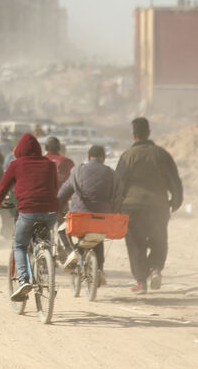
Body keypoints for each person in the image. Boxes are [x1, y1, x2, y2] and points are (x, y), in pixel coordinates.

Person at [115, 117, 183, 294]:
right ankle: (155, 269)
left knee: (135, 244)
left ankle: (140, 282)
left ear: (134, 134)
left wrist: (115, 206)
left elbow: (118, 184)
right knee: (158, 240)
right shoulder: (161, 154)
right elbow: (174, 180)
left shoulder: (127, 156)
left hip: (132, 208)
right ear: (149, 133)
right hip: (158, 207)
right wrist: (175, 202)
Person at [0, 133, 59, 301]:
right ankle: (46, 273)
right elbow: (55, 187)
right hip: (50, 212)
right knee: (45, 239)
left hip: (28, 212)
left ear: (19, 150)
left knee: (20, 246)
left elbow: (2, 188)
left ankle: (23, 280)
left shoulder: (16, 164)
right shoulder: (50, 165)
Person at [57, 145, 123, 285]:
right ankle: (100, 269)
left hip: (79, 219)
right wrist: (113, 213)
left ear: (88, 157)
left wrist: (59, 210)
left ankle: (72, 253)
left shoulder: (77, 171)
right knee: (98, 238)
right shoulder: (112, 173)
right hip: (103, 219)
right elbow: (118, 197)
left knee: (62, 230)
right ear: (104, 159)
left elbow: (63, 194)